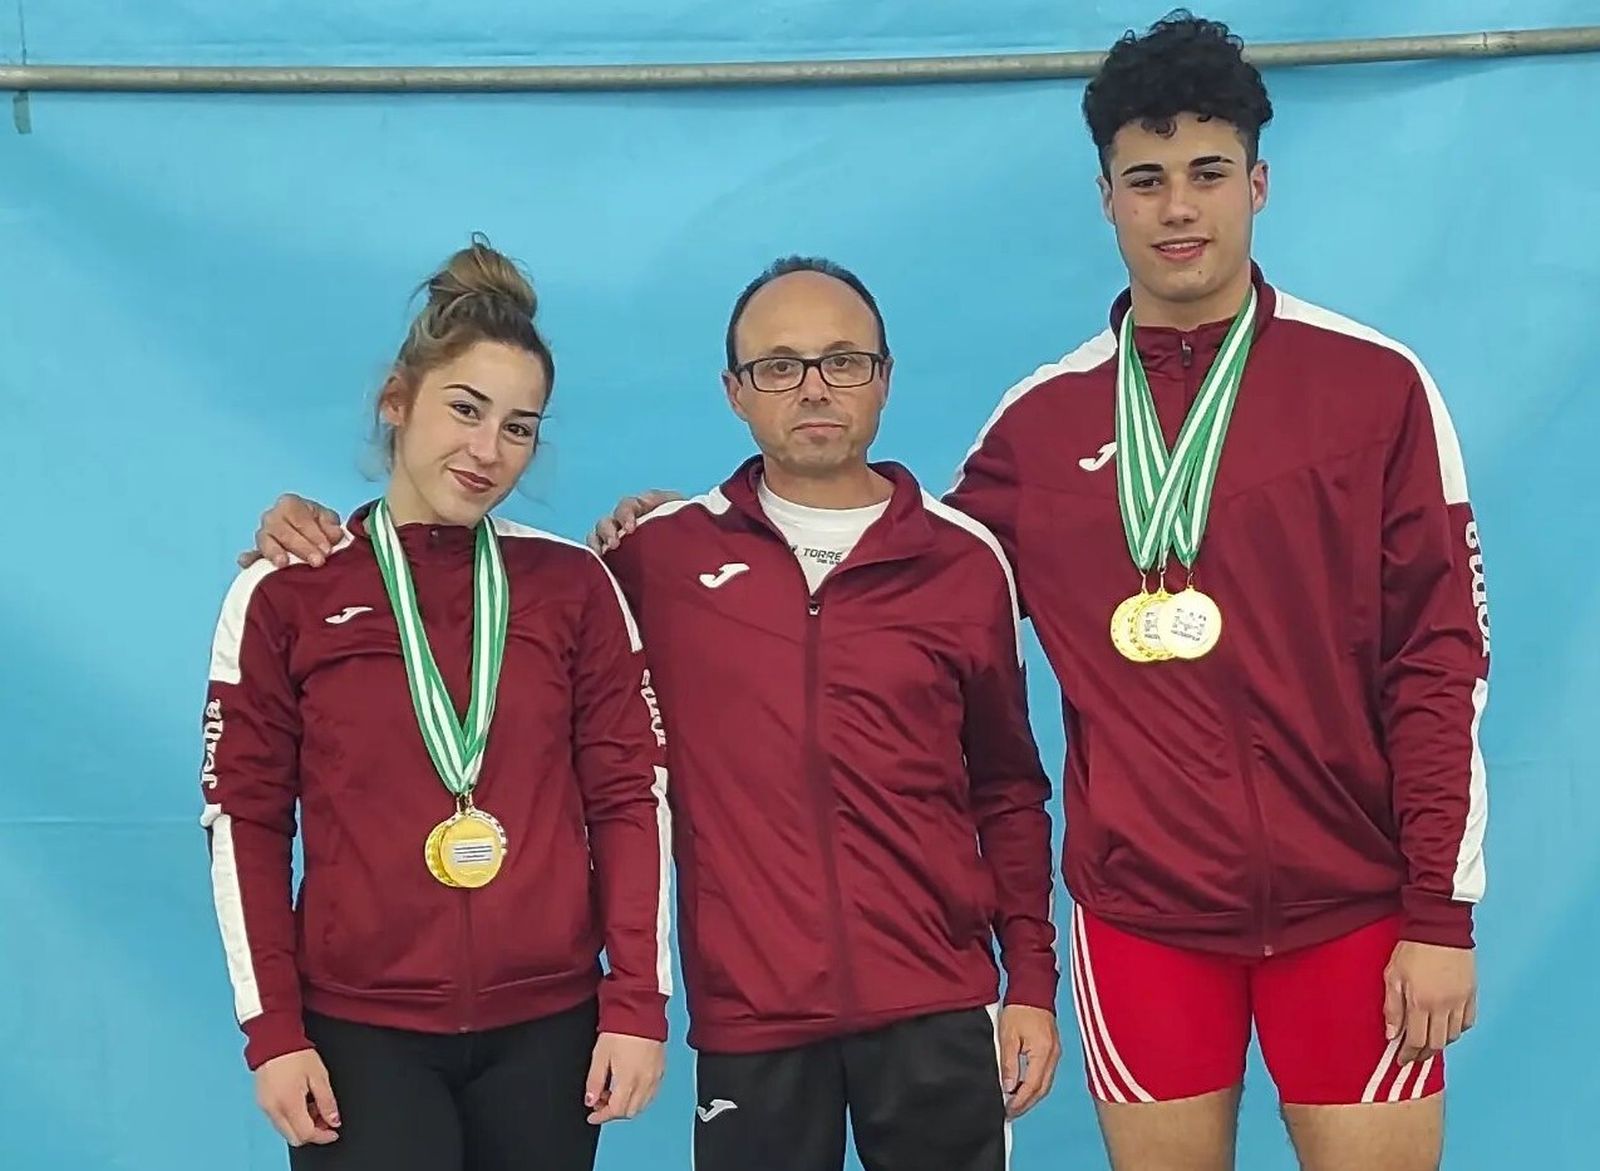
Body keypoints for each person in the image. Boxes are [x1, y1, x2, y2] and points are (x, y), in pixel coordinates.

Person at [595, 14, 1492, 1171]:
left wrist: (1438, 911)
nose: (1178, 208)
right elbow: (898, 574)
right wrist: (722, 527)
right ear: (1106, 199)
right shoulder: (1038, 425)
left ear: (1258, 184)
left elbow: (1441, 658)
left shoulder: (1374, 386)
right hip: (1142, 920)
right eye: (1146, 179)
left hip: (1353, 907)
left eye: (1207, 174)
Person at [245, 256, 1063, 1171]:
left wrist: (1030, 977)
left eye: (844, 361)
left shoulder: (964, 559)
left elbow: (1006, 787)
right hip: (752, 1022)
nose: (815, 387)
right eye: (779, 366)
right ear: (735, 392)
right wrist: (305, 525)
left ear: (884, 376)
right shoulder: (652, 562)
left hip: (938, 1005)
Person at [198, 236, 672, 1171]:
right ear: (397, 401)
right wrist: (275, 1031)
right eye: (465, 409)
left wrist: (637, 1004)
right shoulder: (287, 590)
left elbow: (630, 796)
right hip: (358, 1033)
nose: (488, 450)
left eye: (519, 425)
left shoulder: (572, 586)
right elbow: (245, 819)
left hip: (550, 1027)